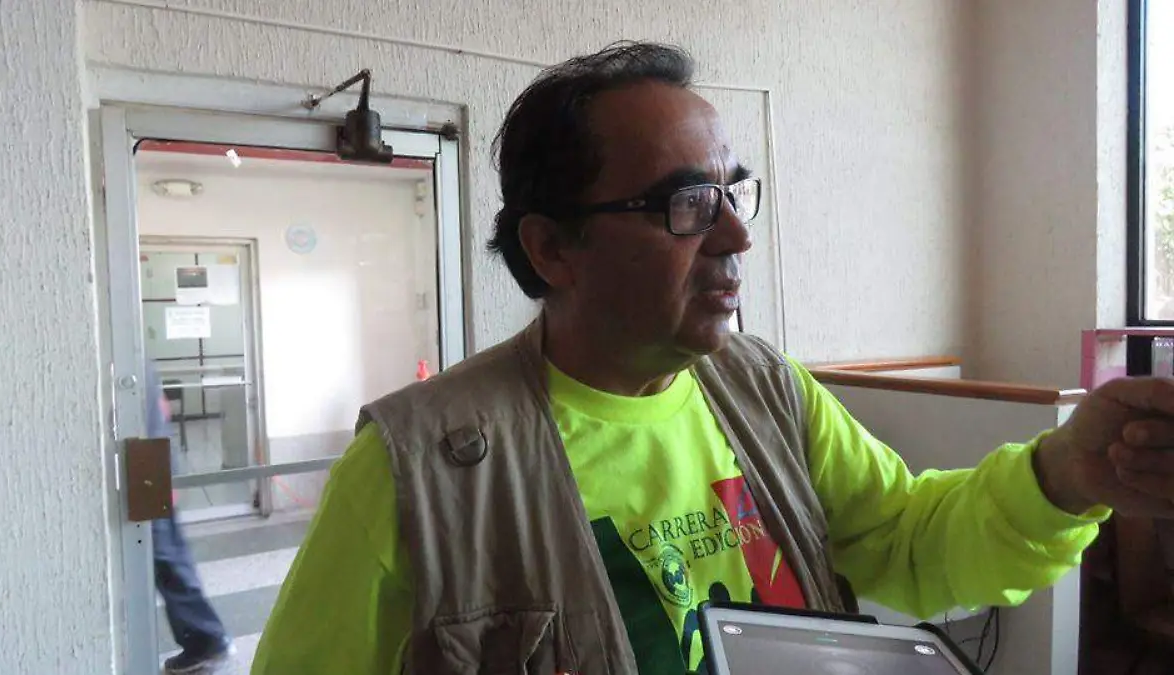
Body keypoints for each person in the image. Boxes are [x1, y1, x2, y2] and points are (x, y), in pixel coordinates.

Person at [252, 43, 1174, 674]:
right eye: (686, 203)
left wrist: (1064, 473)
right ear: (553, 248)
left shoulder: (766, 391)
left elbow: (908, 541)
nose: (736, 235)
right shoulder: (419, 467)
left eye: (733, 192)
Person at [144, 361, 234, 674]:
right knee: (168, 553)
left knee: (165, 556)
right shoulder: (139, 361)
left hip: (150, 474)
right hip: (154, 470)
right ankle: (206, 639)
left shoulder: (133, 360)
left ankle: (207, 640)